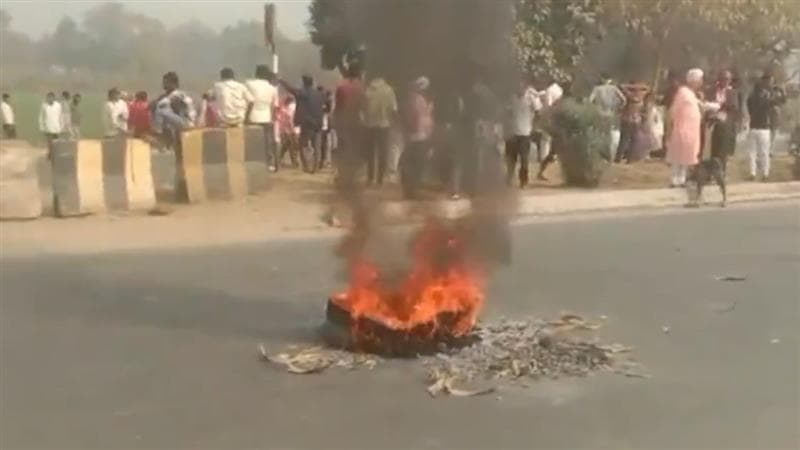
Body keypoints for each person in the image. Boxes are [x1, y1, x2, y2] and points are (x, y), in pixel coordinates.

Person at [666, 68, 705, 187]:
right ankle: (674, 180)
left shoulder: (692, 94)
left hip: (692, 131)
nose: (701, 82)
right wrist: (669, 128)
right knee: (678, 156)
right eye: (700, 80)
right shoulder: (683, 92)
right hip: (682, 129)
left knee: (686, 157)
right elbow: (673, 111)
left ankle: (682, 180)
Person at [280, 74, 326, 173]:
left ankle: (306, 166)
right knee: (316, 146)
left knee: (302, 145)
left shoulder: (302, 93)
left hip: (307, 123)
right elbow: (327, 104)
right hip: (318, 123)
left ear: (304, 83)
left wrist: (282, 81)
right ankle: (315, 167)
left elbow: (290, 89)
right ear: (312, 82)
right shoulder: (320, 94)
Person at [400, 76, 434, 199]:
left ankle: (410, 189)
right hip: (418, 136)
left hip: (414, 136)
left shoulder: (413, 100)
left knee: (411, 163)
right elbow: (421, 118)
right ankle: (412, 189)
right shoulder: (418, 100)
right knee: (416, 164)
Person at [361, 71, 398, 186]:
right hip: (384, 125)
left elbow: (362, 109)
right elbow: (394, 109)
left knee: (370, 153)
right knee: (383, 153)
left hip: (369, 125)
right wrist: (394, 122)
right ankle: (380, 179)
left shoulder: (368, 91)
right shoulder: (389, 90)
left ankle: (370, 178)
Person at [333, 65, 365, 178]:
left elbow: (338, 105)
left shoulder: (341, 86)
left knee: (342, 145)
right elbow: (363, 105)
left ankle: (342, 171)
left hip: (343, 118)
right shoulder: (361, 87)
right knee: (355, 146)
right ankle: (353, 172)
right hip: (355, 119)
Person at [505, 80, 538, 187]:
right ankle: (509, 179)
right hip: (512, 133)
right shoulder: (511, 98)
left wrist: (534, 126)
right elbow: (506, 113)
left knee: (524, 160)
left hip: (525, 133)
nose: (520, 88)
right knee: (511, 159)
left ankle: (523, 181)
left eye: (522, 86)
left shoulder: (530, 98)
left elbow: (538, 112)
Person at [246, 65, 279, 170]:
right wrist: (272, 119)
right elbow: (273, 106)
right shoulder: (272, 88)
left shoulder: (249, 84)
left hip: (252, 117)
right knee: (267, 141)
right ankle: (269, 163)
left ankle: (252, 162)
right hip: (266, 117)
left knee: (251, 141)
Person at [707, 70, 741, 172]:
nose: (724, 81)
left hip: (725, 124)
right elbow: (706, 103)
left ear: (730, 80)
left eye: (727, 79)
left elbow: (735, 107)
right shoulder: (711, 90)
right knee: (712, 150)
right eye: (722, 79)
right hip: (712, 123)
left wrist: (720, 106)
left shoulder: (732, 93)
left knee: (723, 151)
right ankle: (709, 172)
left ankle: (721, 172)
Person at [153, 71, 195, 149]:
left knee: (160, 111)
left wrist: (156, 102)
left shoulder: (176, 95)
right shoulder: (173, 95)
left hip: (186, 122)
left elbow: (162, 104)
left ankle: (158, 136)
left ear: (173, 84)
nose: (164, 85)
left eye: (166, 83)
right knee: (162, 114)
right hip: (182, 121)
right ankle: (167, 141)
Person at [747, 72, 777, 181]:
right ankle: (765, 173)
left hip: (753, 126)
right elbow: (778, 102)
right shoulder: (767, 98)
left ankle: (753, 173)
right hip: (764, 127)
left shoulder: (750, 98)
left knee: (752, 152)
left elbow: (750, 110)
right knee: (764, 152)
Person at [589, 73, 626, 160]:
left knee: (600, 134)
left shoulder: (597, 89)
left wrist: (594, 108)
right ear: (610, 80)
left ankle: (599, 154)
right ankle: (609, 155)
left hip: (600, 114)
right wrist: (618, 108)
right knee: (610, 135)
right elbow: (623, 100)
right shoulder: (614, 89)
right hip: (611, 113)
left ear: (602, 79)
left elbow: (590, 100)